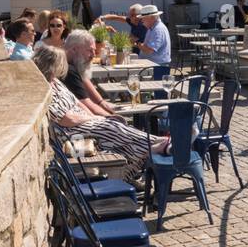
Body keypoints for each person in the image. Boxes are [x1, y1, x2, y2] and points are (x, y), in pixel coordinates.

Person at [33, 42, 168, 179]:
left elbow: (78, 103)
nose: (62, 68)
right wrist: (95, 118)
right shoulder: (44, 89)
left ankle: (144, 158)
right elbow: (67, 120)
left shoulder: (55, 82)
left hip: (82, 124)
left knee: (117, 126)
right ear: (51, 66)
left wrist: (96, 116)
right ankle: (160, 145)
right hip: (71, 134)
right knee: (112, 126)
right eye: (59, 64)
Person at [63, 30, 117, 117]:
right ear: (74, 49)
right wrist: (115, 120)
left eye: (94, 51)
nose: (93, 55)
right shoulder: (68, 70)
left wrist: (103, 104)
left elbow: (99, 101)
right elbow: (90, 107)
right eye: (90, 50)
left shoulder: (72, 65)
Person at [135, 5, 171, 79]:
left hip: (158, 67)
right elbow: (148, 47)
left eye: (143, 18)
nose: (142, 21)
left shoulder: (158, 29)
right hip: (153, 65)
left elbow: (149, 50)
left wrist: (138, 45)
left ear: (151, 18)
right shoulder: (153, 28)